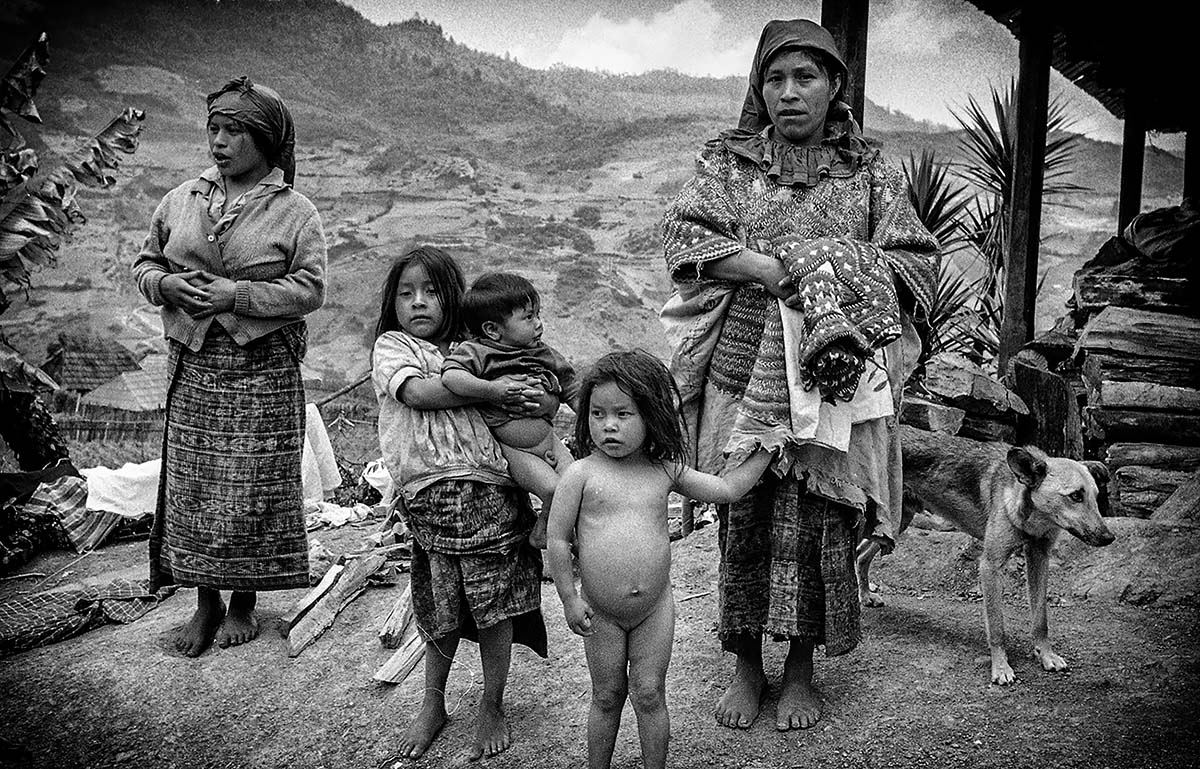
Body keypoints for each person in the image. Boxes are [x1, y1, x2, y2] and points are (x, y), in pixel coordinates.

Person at [660, 19, 939, 731]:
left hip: (831, 375)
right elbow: (688, 238)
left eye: (805, 77)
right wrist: (767, 267)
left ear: (836, 85)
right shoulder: (727, 162)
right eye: (775, 78)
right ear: (759, 86)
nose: (788, 93)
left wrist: (833, 265)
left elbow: (914, 258)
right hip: (741, 363)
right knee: (743, 516)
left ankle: (803, 670)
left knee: (820, 519)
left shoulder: (871, 171)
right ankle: (747, 664)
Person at [131, 76, 326, 657]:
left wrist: (234, 296)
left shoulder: (295, 212)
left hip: (263, 369)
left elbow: (310, 289)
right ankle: (205, 601)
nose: (219, 141)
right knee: (196, 485)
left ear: (265, 140)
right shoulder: (181, 200)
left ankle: (244, 598)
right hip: (194, 364)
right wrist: (166, 283)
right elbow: (144, 263)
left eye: (234, 131)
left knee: (254, 482)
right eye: (214, 129)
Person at [545, 349, 772, 769]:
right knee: (607, 695)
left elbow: (725, 490)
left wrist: (768, 450)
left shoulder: (664, 471)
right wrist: (568, 599)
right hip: (601, 612)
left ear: (650, 416)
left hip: (654, 609)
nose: (608, 425)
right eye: (597, 413)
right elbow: (558, 541)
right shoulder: (580, 474)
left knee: (649, 693)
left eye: (623, 414)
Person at [371, 246, 549, 761]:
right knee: (439, 605)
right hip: (431, 497)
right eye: (406, 294)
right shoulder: (392, 347)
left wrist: (525, 397)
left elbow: (536, 392)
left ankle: (492, 703)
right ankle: (433, 702)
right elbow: (421, 395)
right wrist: (491, 390)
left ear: (455, 300)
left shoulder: (475, 349)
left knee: (496, 606)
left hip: (491, 491)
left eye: (431, 292)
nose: (418, 303)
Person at [441, 272, 578, 549]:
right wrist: (492, 390)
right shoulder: (477, 352)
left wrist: (588, 414)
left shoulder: (542, 351)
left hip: (550, 439)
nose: (539, 324)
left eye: (537, 314)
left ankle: (569, 542)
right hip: (516, 450)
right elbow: (451, 377)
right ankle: (543, 535)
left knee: (576, 484)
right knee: (552, 489)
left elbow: (570, 386)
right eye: (528, 317)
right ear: (493, 330)